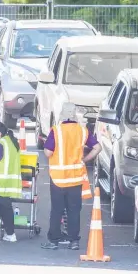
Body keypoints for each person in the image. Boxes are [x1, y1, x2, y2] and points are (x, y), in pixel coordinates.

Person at [41, 102, 102, 250]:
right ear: (75, 115)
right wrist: (85, 159)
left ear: (62, 115)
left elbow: (48, 152)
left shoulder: (56, 131)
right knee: (74, 210)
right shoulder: (83, 131)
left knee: (57, 210)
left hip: (58, 178)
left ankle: (53, 240)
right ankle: (73, 241)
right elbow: (97, 147)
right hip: (76, 178)